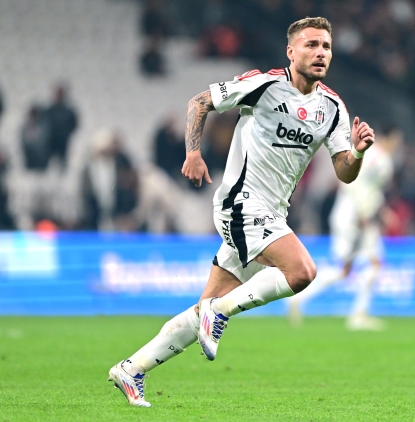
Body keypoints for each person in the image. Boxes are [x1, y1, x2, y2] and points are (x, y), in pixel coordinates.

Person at [108, 17, 376, 407]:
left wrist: (358, 153)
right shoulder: (264, 85)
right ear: (291, 51)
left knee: (200, 311)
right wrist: (193, 153)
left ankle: (132, 368)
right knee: (302, 271)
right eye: (311, 45)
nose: (320, 53)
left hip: (273, 215)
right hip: (241, 204)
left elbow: (344, 172)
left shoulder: (332, 107)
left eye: (326, 47)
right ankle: (219, 312)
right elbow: (199, 102)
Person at [287, 132, 393, 330]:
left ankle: (300, 298)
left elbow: (365, 187)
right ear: (393, 138)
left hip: (348, 217)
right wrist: (363, 212)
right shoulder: (379, 159)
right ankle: (358, 315)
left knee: (346, 270)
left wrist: (381, 210)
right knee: (372, 264)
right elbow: (359, 185)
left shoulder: (365, 155)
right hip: (355, 219)